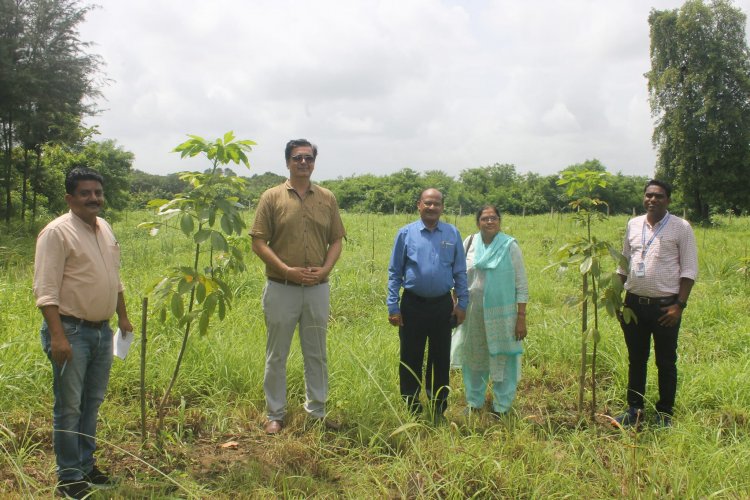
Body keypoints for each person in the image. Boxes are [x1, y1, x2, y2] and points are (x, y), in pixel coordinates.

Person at [33, 167, 133, 499]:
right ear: (70, 198)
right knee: (69, 407)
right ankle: (69, 477)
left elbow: (114, 278)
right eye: (85, 193)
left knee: (92, 403)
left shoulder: (104, 228)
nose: (94, 198)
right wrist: (58, 337)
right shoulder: (57, 233)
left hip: (102, 332)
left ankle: (87, 465)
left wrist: (123, 318)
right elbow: (46, 291)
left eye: (98, 193)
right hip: (71, 331)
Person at [250, 139, 345, 435]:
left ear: (314, 162)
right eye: (297, 158)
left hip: (318, 288)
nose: (303, 162)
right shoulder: (271, 197)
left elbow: (337, 240)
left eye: (308, 158)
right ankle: (274, 414)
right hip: (281, 287)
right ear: (288, 162)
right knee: (276, 353)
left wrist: (325, 270)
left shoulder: (327, 197)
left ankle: (316, 411)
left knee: (316, 352)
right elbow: (258, 242)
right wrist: (287, 270)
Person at [614, 179, 698, 428]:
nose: (652, 200)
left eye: (659, 196)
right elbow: (624, 263)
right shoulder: (633, 224)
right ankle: (634, 410)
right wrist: (616, 298)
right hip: (633, 305)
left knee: (665, 360)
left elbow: (690, 270)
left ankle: (664, 414)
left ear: (668, 200)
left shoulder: (681, 228)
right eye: (649, 195)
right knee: (636, 359)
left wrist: (678, 306)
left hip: (666, 307)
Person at [387, 188, 469, 423]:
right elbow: (395, 272)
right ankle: (411, 406)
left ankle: (438, 408)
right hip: (412, 305)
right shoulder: (406, 234)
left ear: (442, 207)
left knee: (440, 358)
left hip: (443, 306)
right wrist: (393, 305)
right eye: (427, 203)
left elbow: (460, 272)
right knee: (410, 356)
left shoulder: (452, 234)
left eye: (436, 204)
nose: (432, 207)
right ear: (419, 205)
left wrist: (462, 303)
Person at [450, 205, 528, 418]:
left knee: (503, 358)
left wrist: (521, 318)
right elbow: (458, 275)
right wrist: (455, 302)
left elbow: (521, 284)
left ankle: (501, 407)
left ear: (499, 221)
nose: (490, 221)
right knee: (474, 356)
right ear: (478, 222)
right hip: (472, 312)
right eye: (485, 218)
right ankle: (474, 402)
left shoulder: (510, 246)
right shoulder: (469, 243)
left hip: (502, 315)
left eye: (494, 218)